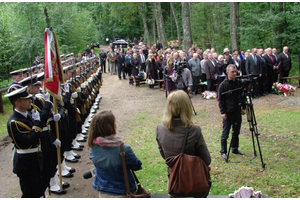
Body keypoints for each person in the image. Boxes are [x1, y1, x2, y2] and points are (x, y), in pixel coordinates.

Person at [156, 90, 211, 198]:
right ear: (187, 107)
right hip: (194, 180)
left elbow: (165, 156)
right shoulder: (194, 130)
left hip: (174, 180)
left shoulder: (160, 128)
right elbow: (207, 160)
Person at [5, 86, 52, 197]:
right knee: (30, 192)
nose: (30, 101)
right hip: (26, 163)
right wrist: (36, 123)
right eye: (26, 99)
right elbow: (30, 140)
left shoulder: (28, 115)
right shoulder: (14, 122)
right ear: (17, 103)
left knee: (39, 189)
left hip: (35, 159)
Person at [88, 110, 142, 198]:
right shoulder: (123, 149)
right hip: (123, 191)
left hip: (103, 191)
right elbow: (137, 165)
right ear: (111, 126)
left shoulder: (93, 147)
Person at [218, 64, 246, 160]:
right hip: (228, 112)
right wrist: (223, 112)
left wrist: (243, 107)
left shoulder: (238, 83)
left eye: (235, 72)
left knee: (236, 131)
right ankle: (223, 151)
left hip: (237, 111)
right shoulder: (223, 85)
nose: (235, 74)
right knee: (225, 133)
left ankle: (234, 147)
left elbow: (242, 95)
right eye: (232, 72)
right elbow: (220, 100)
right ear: (227, 72)